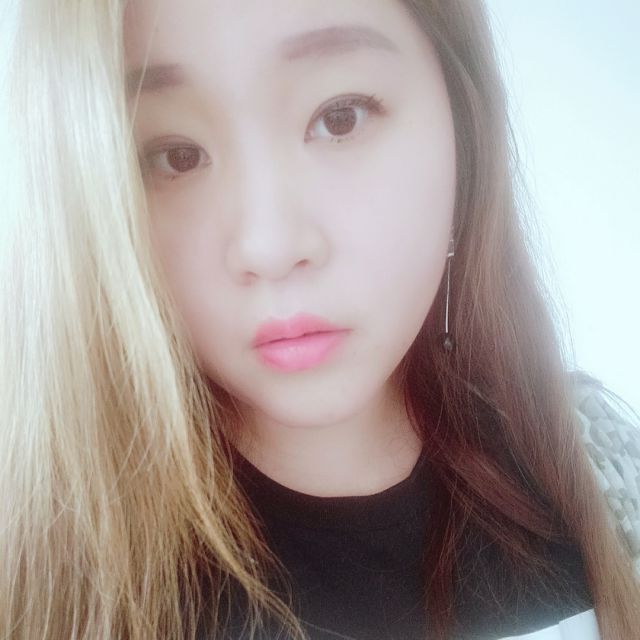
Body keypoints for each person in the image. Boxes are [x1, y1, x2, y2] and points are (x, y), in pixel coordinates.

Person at [0, 1, 638, 639]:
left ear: (463, 129)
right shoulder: (40, 565)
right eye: (177, 155)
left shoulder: (593, 460)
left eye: (340, 117)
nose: (270, 247)